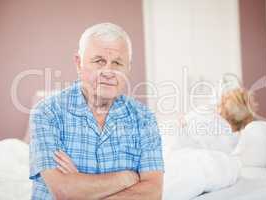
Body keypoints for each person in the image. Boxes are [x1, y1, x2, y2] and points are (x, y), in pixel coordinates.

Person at [29, 23, 164, 200]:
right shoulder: (47, 112)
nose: (109, 72)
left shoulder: (144, 118)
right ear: (79, 63)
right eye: (99, 61)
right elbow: (64, 190)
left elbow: (153, 192)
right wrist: (128, 177)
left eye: (117, 63)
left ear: (128, 68)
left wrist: (81, 185)